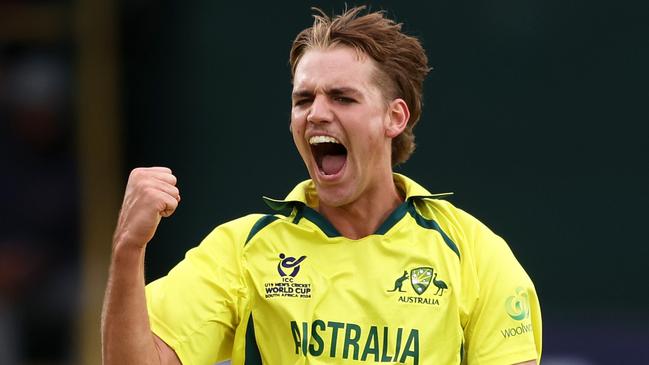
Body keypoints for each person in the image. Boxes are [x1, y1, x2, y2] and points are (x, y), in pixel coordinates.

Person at [102, 6, 541, 365]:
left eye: (343, 97)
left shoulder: (473, 253)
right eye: (303, 99)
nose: (315, 113)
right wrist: (128, 249)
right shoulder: (244, 249)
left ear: (395, 117)